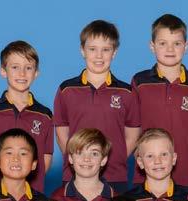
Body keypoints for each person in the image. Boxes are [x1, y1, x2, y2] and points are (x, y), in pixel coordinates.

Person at [54, 19, 141, 191]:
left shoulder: (126, 92)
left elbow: (132, 135)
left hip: (114, 176)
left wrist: (114, 159)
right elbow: (61, 132)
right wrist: (78, 161)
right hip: (74, 176)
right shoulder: (67, 90)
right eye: (92, 49)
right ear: (82, 50)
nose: (99, 56)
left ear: (114, 52)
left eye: (106, 49)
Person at [131, 13, 188, 188]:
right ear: (152, 46)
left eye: (177, 43)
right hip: (146, 176)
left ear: (186, 46)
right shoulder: (140, 82)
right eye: (163, 43)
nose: (170, 49)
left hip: (186, 176)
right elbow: (132, 127)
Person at [0, 41, 54, 192]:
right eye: (15, 67)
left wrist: (29, 185)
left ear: (36, 73)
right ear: (3, 71)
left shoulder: (45, 115)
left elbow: (46, 156)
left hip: (31, 197)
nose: (22, 73)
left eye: (28, 68)